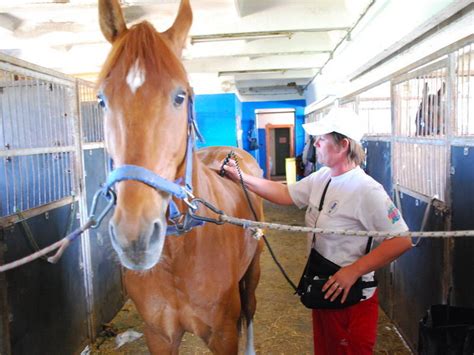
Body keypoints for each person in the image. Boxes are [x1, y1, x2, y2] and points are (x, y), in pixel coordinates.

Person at [221, 107, 412, 354]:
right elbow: (284, 193)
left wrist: (353, 271)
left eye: (321, 139)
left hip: (351, 297)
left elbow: (401, 241)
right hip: (324, 287)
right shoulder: (323, 177)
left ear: (343, 145)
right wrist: (240, 177)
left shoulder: (366, 190)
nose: (316, 144)